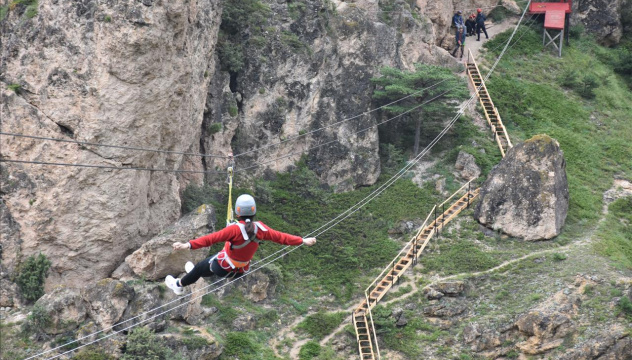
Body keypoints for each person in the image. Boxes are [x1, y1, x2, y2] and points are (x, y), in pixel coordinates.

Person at [165, 194, 317, 295]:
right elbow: (282, 237)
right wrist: (302, 240)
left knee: (201, 267)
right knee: (209, 263)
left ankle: (178, 285)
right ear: (254, 211)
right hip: (240, 269)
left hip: (223, 266)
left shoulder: (234, 230)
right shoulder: (262, 229)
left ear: (238, 212)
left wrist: (187, 245)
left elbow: (211, 238)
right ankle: (195, 274)